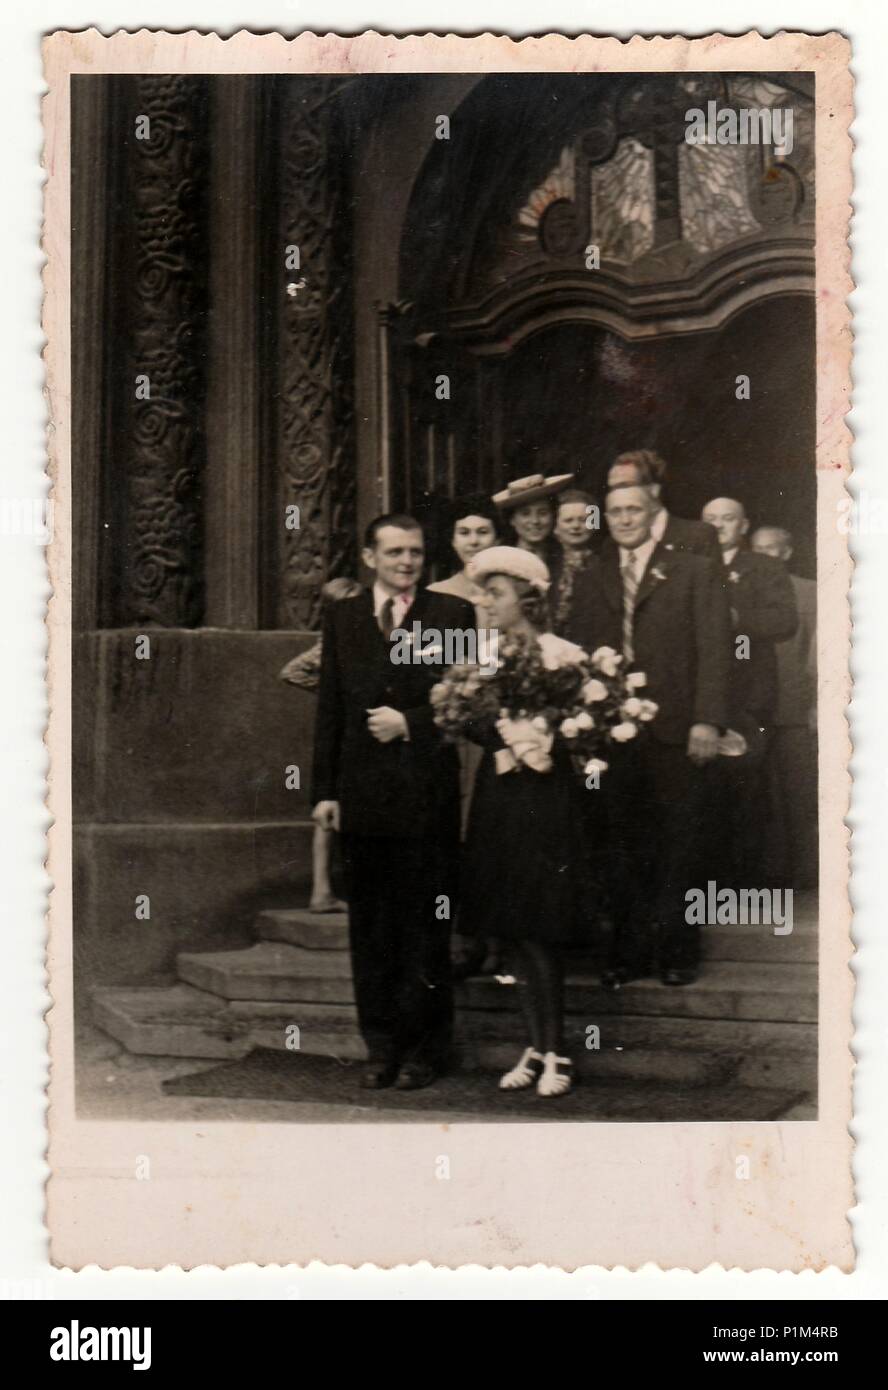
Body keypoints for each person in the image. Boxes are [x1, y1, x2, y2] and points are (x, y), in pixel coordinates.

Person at [311, 513, 474, 1091]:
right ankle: (380, 1047)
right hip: (362, 798)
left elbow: (471, 701)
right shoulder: (345, 617)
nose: (407, 562)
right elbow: (330, 706)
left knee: (424, 929)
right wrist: (325, 792)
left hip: (424, 798)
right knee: (372, 930)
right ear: (369, 557)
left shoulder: (451, 615)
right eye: (396, 552)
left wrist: (411, 722)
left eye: (416, 552)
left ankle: (426, 1050)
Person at [567, 483, 732, 986]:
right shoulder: (593, 574)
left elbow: (716, 649)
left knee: (678, 843)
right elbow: (577, 651)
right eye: (614, 511)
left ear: (654, 513)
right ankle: (629, 952)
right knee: (620, 843)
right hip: (611, 732)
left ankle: (677, 952)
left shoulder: (694, 570)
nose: (623, 519)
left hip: (676, 728)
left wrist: (707, 719)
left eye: (633, 509)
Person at [457, 546, 594, 1098]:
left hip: (544, 799)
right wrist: (503, 735)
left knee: (541, 926)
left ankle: (558, 1051)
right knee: (511, 928)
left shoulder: (561, 655)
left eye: (497, 593)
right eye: (483, 592)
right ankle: (534, 1047)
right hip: (499, 797)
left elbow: (584, 723)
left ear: (526, 599)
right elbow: (466, 719)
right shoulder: (480, 657)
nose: (486, 602)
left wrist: (545, 736)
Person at [701, 498, 798, 887]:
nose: (719, 526)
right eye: (711, 520)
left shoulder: (764, 567)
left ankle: (747, 880)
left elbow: (784, 621)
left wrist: (740, 621)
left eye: (728, 519)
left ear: (744, 525)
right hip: (700, 694)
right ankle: (710, 878)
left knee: (747, 786)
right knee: (705, 789)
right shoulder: (688, 565)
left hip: (748, 693)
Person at [428, 496, 503, 980]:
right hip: (455, 727)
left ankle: (497, 943)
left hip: (500, 727)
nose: (474, 541)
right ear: (452, 540)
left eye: (483, 532)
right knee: (451, 829)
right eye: (465, 532)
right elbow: (430, 662)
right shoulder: (437, 594)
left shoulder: (510, 589)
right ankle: (458, 940)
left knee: (494, 831)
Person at [279, 576, 362, 913]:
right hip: (342, 735)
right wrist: (329, 691)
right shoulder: (332, 642)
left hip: (348, 731)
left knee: (334, 813)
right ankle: (323, 891)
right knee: (330, 812)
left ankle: (326, 890)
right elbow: (290, 672)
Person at [750, 525, 818, 889]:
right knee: (761, 791)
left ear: (787, 553)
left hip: (794, 704)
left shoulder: (809, 592)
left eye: (772, 550)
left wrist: (815, 704)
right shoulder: (743, 591)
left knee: (798, 789)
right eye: (757, 550)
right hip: (754, 708)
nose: (764, 557)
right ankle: (769, 872)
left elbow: (817, 651)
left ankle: (807, 872)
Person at [608, 450, 721, 562]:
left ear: (654, 490)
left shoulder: (698, 536)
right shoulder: (611, 545)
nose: (617, 494)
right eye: (612, 488)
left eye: (625, 486)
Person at [552, 488, 597, 635]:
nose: (576, 526)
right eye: (568, 520)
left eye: (583, 520)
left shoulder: (602, 565)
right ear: (556, 527)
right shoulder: (549, 563)